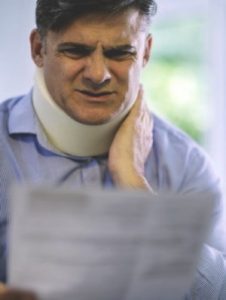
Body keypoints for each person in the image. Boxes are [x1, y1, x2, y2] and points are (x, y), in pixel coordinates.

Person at [0, 0, 225, 299]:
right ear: (38, 49)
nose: (98, 74)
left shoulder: (187, 165)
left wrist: (135, 186)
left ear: (145, 52)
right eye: (75, 51)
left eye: (120, 53)